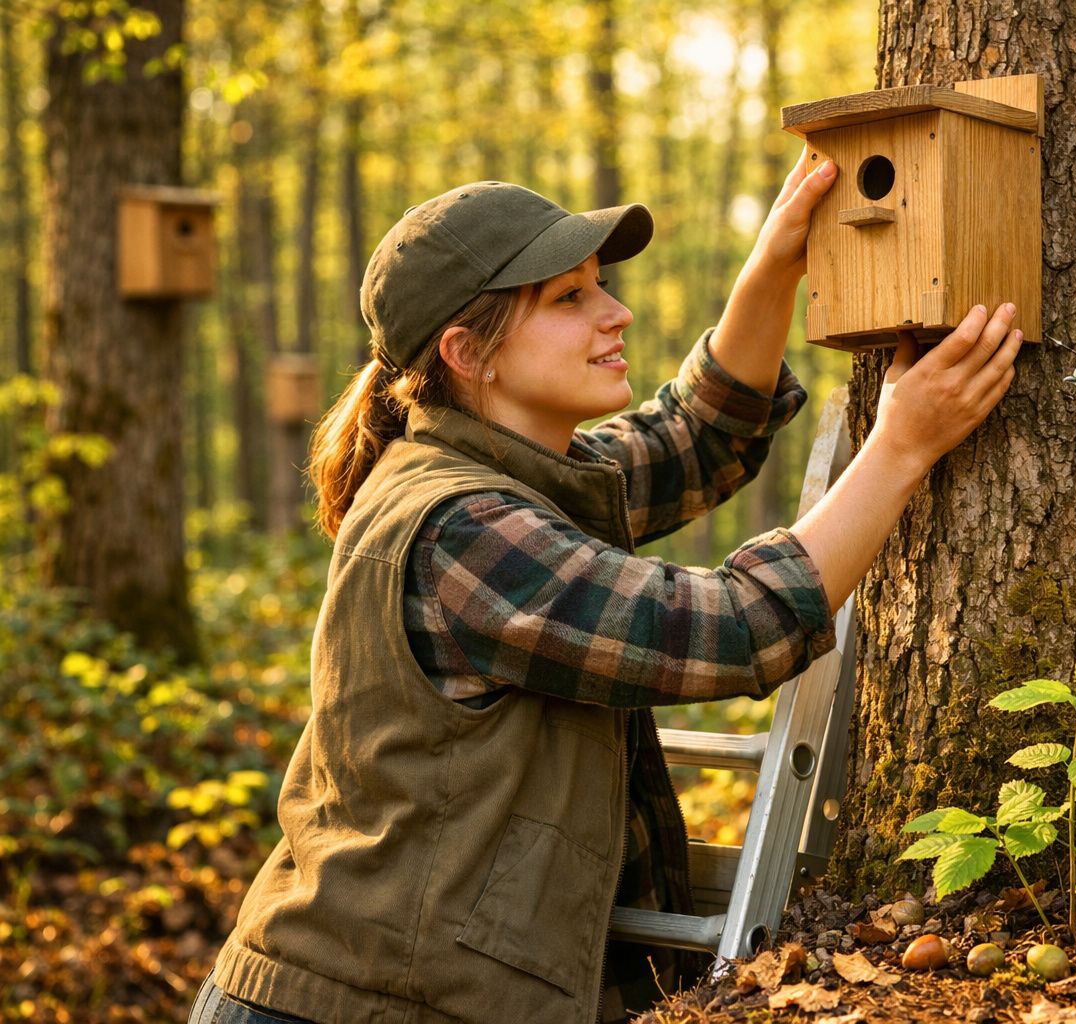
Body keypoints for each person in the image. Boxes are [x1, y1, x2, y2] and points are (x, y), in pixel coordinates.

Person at [190, 151, 1023, 1024]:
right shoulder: (461, 529)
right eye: (570, 299)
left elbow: (696, 438)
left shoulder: (521, 474)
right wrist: (899, 449)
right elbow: (726, 628)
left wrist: (778, 264)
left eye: (600, 286)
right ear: (468, 353)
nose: (615, 313)